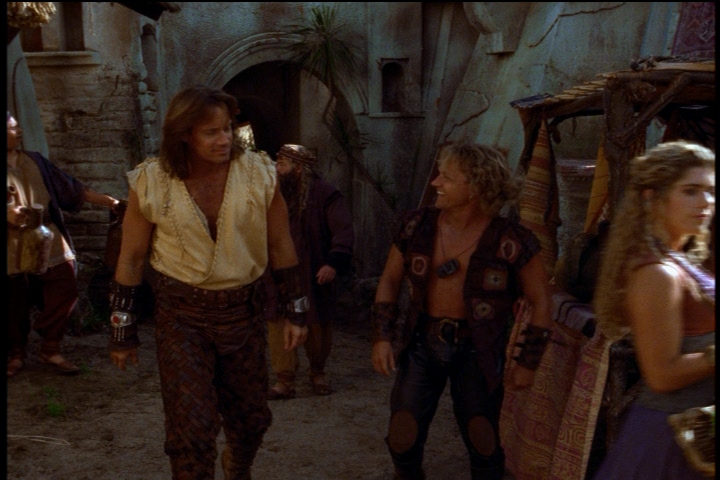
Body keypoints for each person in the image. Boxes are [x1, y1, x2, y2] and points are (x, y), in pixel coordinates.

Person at [108, 85, 308, 480]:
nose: (224, 139)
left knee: (251, 422)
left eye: (228, 128)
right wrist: (121, 329)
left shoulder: (258, 173)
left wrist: (295, 310)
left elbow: (281, 243)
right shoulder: (151, 181)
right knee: (191, 434)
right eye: (211, 132)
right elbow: (131, 257)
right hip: (182, 317)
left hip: (243, 313)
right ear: (184, 134)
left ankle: (237, 465)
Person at [371, 142, 554, 480]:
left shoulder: (511, 239)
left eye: (447, 177)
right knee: (402, 434)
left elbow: (542, 300)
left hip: (478, 349)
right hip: (422, 343)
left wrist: (528, 362)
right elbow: (390, 280)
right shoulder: (416, 226)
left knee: (482, 438)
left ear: (476, 187)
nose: (436, 182)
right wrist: (383, 337)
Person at [591, 140, 715, 480]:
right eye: (691, 191)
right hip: (667, 441)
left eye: (710, 191)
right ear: (652, 197)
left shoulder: (679, 261)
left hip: (697, 436)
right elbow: (661, 374)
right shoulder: (657, 274)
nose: (706, 202)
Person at [7, 111, 120, 378]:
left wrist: (110, 202)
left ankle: (50, 347)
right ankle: (16, 354)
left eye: (18, 126)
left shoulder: (35, 160)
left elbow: (71, 188)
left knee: (65, 286)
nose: (19, 131)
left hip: (46, 233)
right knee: (13, 301)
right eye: (12, 128)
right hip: (10, 242)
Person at [266, 144, 354, 399]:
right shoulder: (272, 194)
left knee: (317, 323)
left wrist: (333, 262)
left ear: (298, 168)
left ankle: (318, 372)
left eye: (282, 164)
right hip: (279, 273)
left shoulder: (325, 194)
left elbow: (343, 229)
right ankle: (284, 379)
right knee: (278, 320)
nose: (277, 169)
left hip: (312, 271)